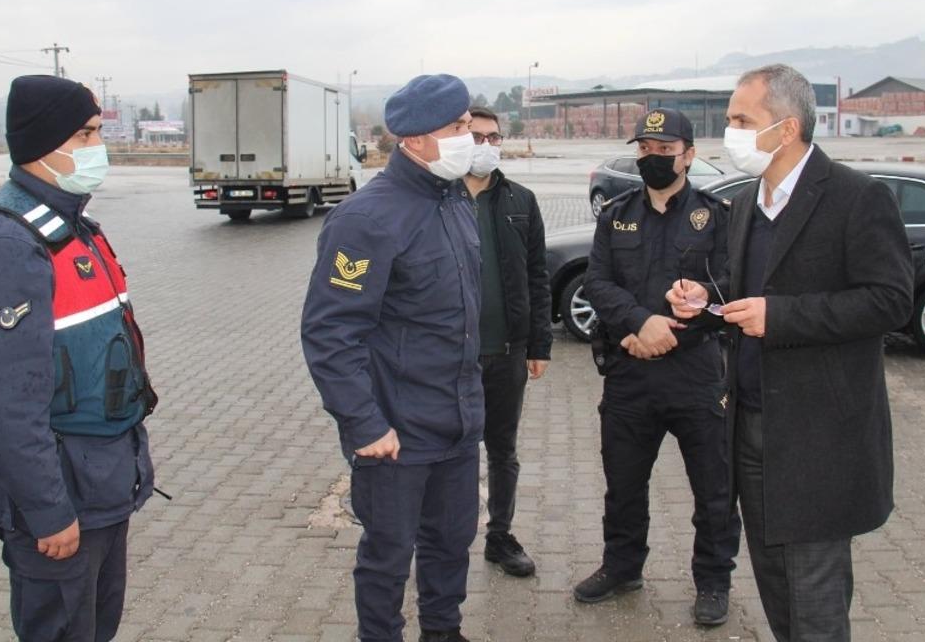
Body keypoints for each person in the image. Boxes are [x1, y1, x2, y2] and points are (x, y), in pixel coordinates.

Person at [668, 64, 914, 641]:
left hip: (818, 439)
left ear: (787, 128)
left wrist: (780, 317)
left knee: (815, 604)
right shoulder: (751, 202)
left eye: (740, 120)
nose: (729, 131)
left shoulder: (856, 198)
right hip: (750, 429)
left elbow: (890, 300)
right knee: (777, 588)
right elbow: (746, 283)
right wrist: (708, 296)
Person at [0, 75, 158, 642]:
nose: (98, 148)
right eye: (86, 135)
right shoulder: (5, 245)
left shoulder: (73, 230)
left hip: (101, 488)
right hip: (62, 502)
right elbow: (2, 402)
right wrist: (47, 510)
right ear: (46, 145)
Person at [301, 74, 481, 642]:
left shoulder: (453, 201)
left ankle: (443, 633)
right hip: (396, 434)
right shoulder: (366, 218)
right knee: (387, 556)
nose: (469, 135)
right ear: (415, 141)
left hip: (457, 422)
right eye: (457, 127)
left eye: (468, 123)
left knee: (451, 545)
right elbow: (330, 334)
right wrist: (364, 423)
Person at [574, 107, 742, 627]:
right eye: (644, 149)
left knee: (714, 489)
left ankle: (713, 582)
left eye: (664, 150)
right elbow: (597, 283)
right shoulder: (617, 213)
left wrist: (685, 320)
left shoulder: (718, 216)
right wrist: (641, 324)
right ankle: (622, 566)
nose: (652, 158)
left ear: (688, 155)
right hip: (631, 372)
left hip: (695, 374)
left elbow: (734, 289)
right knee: (623, 484)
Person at [461, 107, 552, 579]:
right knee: (451, 451)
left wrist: (539, 345)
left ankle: (500, 535)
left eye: (493, 137)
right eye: (475, 137)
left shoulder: (521, 200)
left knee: (503, 449)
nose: (485, 146)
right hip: (453, 358)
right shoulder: (442, 199)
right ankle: (446, 537)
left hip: (508, 352)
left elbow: (538, 275)